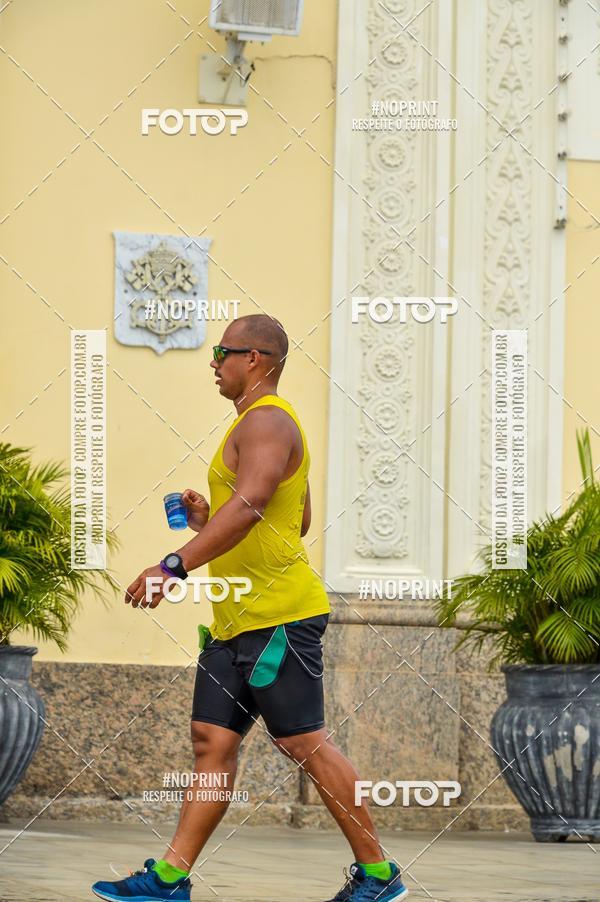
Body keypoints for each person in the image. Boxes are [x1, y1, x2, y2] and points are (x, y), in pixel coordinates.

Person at [91, 314, 408, 902]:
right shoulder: (260, 426)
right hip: (234, 621)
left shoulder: (267, 420)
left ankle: (379, 875)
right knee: (211, 743)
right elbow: (297, 518)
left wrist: (172, 565)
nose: (213, 363)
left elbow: (256, 501)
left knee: (302, 743)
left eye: (222, 352)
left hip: (280, 617)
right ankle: (168, 879)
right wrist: (210, 516)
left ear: (255, 359)